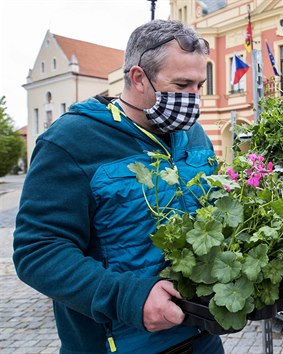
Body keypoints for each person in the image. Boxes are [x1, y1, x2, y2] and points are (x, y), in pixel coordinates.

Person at [13, 20, 224, 354]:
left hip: (202, 341)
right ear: (138, 77)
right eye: (182, 85)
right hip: (116, 346)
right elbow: (37, 251)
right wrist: (128, 297)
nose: (193, 99)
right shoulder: (71, 141)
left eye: (199, 85)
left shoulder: (194, 135)